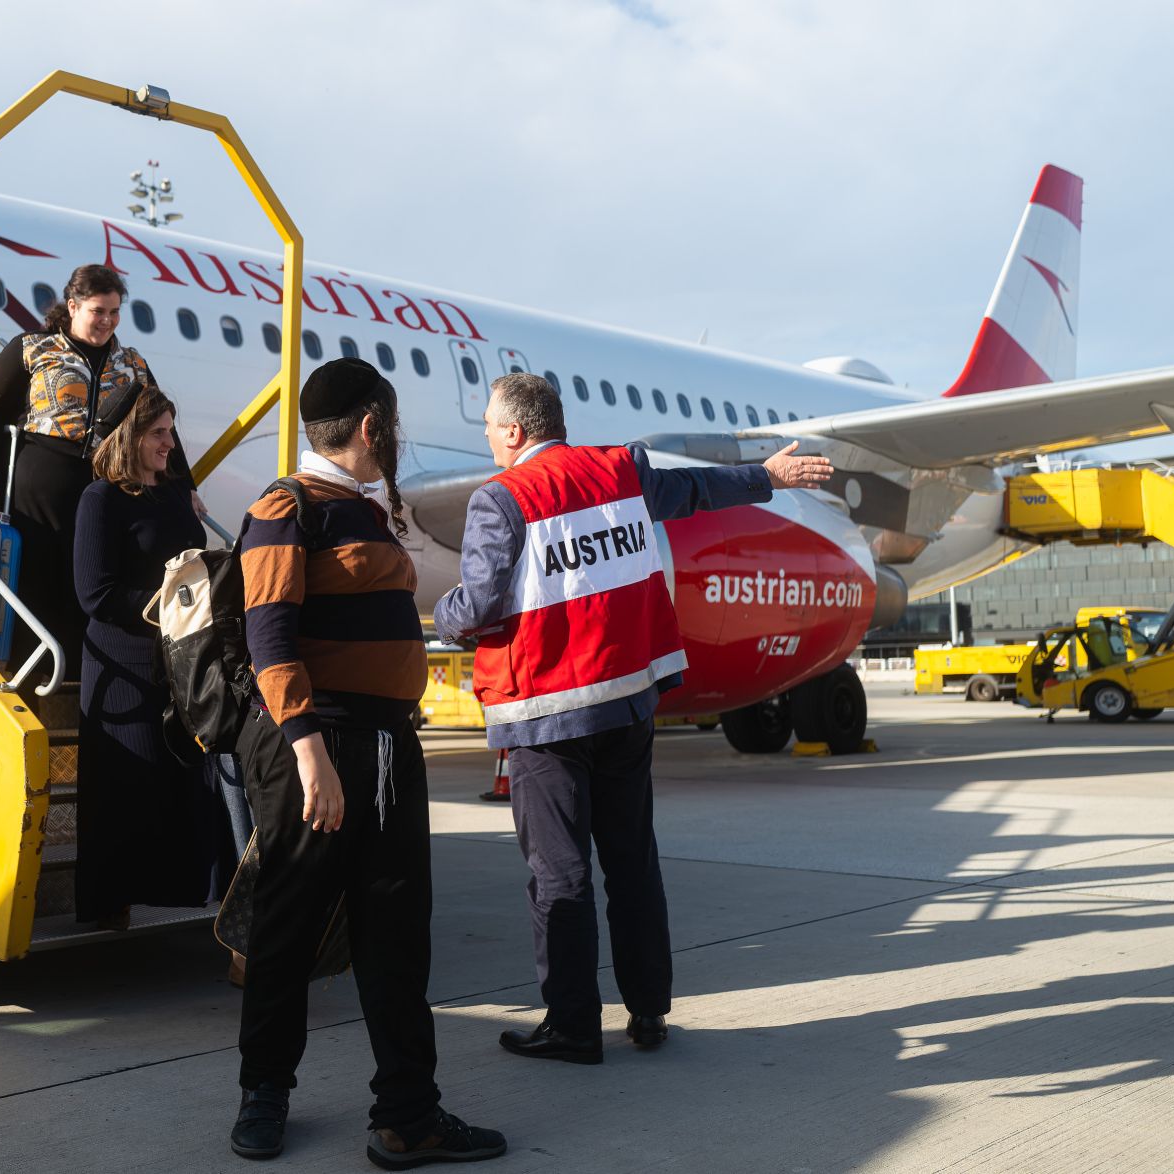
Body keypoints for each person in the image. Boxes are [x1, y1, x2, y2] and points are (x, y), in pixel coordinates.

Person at [432, 372, 832, 1064]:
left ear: (516, 432)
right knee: (632, 865)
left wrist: (438, 613)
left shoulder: (500, 499)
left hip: (548, 718)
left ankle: (573, 1026)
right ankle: (648, 1012)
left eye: (492, 427)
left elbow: (479, 605)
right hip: (626, 702)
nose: (489, 438)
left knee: (560, 876)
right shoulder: (621, 470)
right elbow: (695, 491)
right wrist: (765, 477)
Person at [229, 358, 505, 1169]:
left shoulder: (369, 509)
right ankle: (264, 1094)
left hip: (388, 748)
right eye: (393, 423)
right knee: (287, 930)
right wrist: (310, 752)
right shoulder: (287, 507)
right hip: (317, 748)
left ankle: (408, 1117)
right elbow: (268, 636)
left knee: (397, 936)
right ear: (372, 425)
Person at [0, 263, 191, 680]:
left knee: (89, 583)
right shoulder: (33, 348)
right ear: (72, 306)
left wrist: (186, 488)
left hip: (104, 491)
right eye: (97, 311)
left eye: (114, 311)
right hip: (40, 491)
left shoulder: (132, 363)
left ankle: (75, 680)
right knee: (37, 582)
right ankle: (29, 678)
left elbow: (162, 424)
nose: (107, 321)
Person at [71, 388, 231, 928]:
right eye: (159, 433)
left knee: (183, 781)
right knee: (125, 786)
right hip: (125, 665)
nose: (170, 443)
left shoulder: (175, 493)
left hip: (179, 658)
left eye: (170, 431)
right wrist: (175, 607)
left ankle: (188, 892)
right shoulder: (100, 499)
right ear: (131, 437)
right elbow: (95, 594)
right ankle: (108, 903)